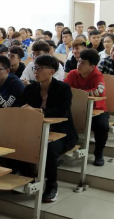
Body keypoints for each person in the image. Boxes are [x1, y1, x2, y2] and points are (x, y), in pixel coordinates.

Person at [19, 56, 78, 203]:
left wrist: (39, 111)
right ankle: (29, 178)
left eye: (40, 68)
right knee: (16, 142)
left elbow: (62, 112)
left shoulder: (63, 88)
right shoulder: (30, 89)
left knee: (49, 148)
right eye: (35, 68)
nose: (36, 71)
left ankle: (52, 185)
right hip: (36, 130)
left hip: (61, 132)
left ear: (51, 71)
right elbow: (22, 108)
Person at [64, 49, 109, 167]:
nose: (79, 64)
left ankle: (99, 153)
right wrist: (83, 93)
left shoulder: (97, 75)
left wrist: (78, 93)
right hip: (75, 108)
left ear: (92, 66)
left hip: (96, 109)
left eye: (83, 63)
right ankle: (63, 149)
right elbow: (64, 88)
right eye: (79, 61)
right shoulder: (72, 73)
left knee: (103, 127)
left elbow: (99, 91)